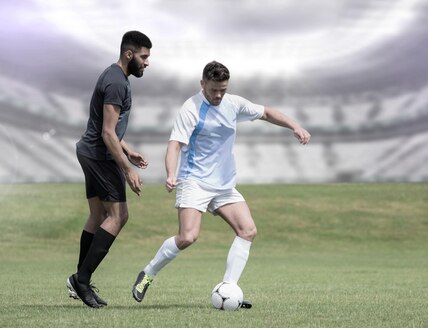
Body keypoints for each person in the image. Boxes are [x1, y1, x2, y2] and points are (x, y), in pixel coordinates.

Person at [131, 61, 311, 307]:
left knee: (248, 231)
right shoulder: (191, 108)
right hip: (194, 180)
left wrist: (295, 126)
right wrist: (171, 174)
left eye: (223, 90)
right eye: (214, 90)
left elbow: (267, 112)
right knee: (188, 236)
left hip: (224, 185)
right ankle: (148, 274)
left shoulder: (233, 104)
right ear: (202, 84)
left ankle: (228, 288)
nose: (218, 95)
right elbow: (174, 145)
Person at [66, 31, 152, 308]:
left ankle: (79, 279)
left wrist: (127, 149)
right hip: (100, 155)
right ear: (129, 54)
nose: (147, 62)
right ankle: (82, 279)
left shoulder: (113, 76)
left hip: (89, 152)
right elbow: (106, 133)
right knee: (118, 215)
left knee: (98, 214)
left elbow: (110, 129)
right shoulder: (117, 83)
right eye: (144, 56)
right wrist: (127, 170)